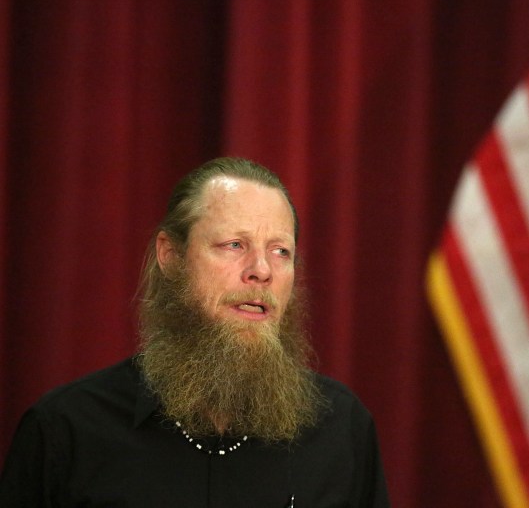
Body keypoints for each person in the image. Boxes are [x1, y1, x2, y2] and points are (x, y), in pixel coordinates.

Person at [0, 157, 390, 507]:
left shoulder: (342, 431)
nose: (261, 270)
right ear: (171, 256)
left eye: (280, 251)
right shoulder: (66, 432)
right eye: (234, 244)